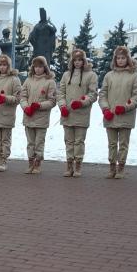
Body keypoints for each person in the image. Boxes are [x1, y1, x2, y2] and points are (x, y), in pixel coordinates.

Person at [98, 46, 137, 179]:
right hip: (110, 115)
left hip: (125, 116)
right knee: (111, 143)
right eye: (118, 58)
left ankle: (121, 167)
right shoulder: (109, 76)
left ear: (128, 59)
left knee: (123, 143)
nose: (121, 60)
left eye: (123, 58)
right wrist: (105, 109)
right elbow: (103, 94)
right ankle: (112, 166)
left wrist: (126, 107)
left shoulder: (135, 75)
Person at [57, 48, 98, 178]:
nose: (78, 62)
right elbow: (61, 93)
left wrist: (82, 102)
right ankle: (69, 165)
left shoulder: (91, 75)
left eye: (80, 60)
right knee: (68, 141)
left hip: (82, 113)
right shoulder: (66, 75)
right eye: (75, 60)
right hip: (67, 113)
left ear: (84, 61)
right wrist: (62, 106)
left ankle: (78, 164)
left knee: (79, 141)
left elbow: (93, 94)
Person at [20, 56, 56, 174]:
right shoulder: (28, 80)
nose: (38, 69)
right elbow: (23, 96)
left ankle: (37, 163)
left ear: (45, 68)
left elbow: (52, 101)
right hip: (29, 116)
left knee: (39, 142)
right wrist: (26, 107)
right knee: (30, 142)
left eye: (40, 67)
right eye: (36, 67)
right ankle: (30, 162)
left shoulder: (50, 82)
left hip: (41, 118)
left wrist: (39, 105)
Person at [0, 54, 22, 172]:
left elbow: (18, 98)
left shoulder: (14, 79)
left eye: (4, 65)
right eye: (0, 65)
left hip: (7, 115)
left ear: (9, 66)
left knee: (5, 140)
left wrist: (6, 98)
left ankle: (4, 160)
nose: (2, 67)